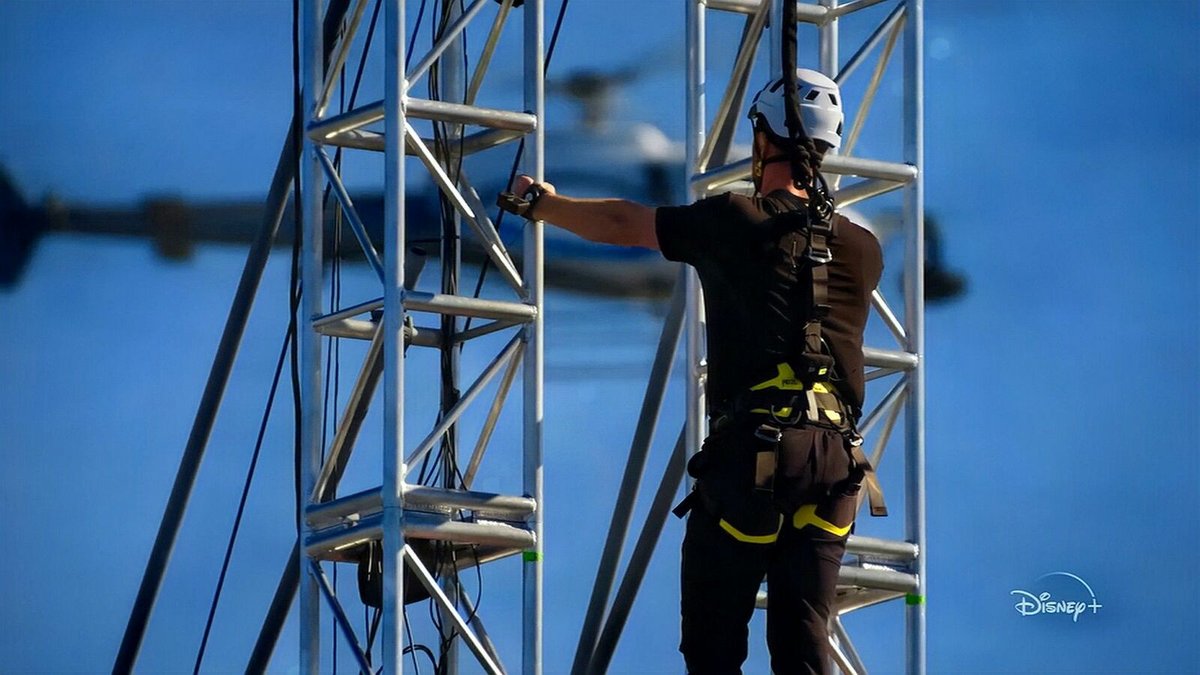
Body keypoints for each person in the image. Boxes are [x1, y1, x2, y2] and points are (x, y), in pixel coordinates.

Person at [500, 68, 884, 674]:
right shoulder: (864, 249)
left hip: (756, 455)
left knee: (713, 639)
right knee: (805, 637)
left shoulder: (735, 219)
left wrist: (541, 204)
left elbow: (626, 225)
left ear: (763, 139)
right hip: (836, 465)